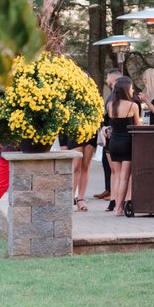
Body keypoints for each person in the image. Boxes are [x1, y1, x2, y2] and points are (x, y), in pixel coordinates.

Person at [62, 72, 101, 212]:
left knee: (86, 166)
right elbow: (63, 118)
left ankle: (81, 198)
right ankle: (71, 196)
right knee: (76, 165)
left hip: (90, 132)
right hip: (74, 133)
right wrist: (63, 142)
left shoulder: (93, 97)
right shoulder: (70, 96)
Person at [107, 76, 142, 217]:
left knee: (116, 175)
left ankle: (115, 203)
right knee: (124, 177)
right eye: (131, 87)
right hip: (127, 143)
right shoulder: (132, 106)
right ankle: (119, 208)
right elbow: (137, 125)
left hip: (114, 142)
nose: (133, 89)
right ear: (127, 89)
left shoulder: (110, 105)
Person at [93, 67, 121, 201]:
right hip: (109, 131)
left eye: (107, 77)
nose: (106, 80)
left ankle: (113, 192)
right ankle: (109, 188)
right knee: (106, 161)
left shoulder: (117, 93)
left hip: (113, 132)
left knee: (113, 166)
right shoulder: (113, 93)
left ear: (113, 78)